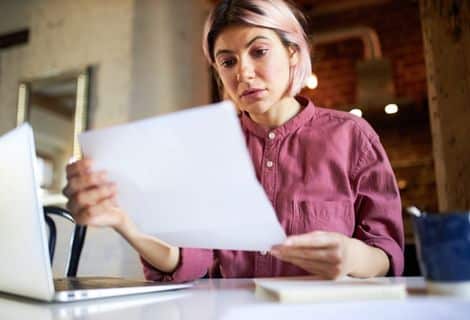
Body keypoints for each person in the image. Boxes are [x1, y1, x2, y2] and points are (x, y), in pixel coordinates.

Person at [63, 0, 404, 282]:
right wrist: (125, 223)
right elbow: (191, 261)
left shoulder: (352, 136)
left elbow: (387, 254)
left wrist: (354, 256)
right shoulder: (208, 149)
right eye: (227, 61)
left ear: (293, 54)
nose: (243, 72)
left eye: (259, 51)